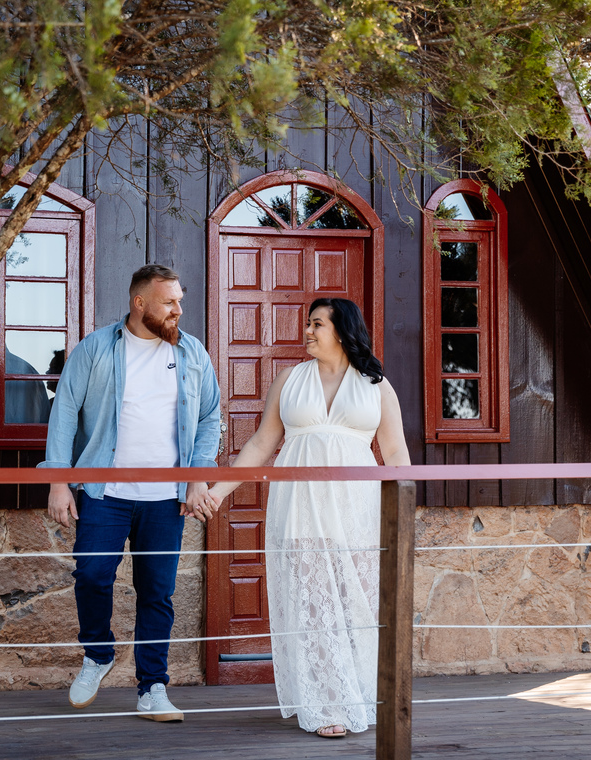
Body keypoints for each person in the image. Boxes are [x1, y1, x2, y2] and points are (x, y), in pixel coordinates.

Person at [199, 298, 409, 738]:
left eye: (317, 324)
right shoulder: (290, 380)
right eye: (309, 324)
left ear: (342, 331)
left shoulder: (376, 385)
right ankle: (325, 704)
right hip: (300, 505)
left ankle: (359, 694)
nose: (308, 332)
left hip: (358, 509)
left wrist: (403, 519)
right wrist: (217, 492)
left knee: (357, 604)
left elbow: (395, 454)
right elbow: (261, 445)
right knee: (312, 605)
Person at [40, 264, 222, 722]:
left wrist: (198, 477)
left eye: (179, 300)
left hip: (166, 499)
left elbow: (209, 418)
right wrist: (59, 481)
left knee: (157, 592)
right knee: (92, 576)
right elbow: (64, 412)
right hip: (105, 493)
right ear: (140, 303)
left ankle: (152, 688)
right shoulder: (97, 348)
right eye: (169, 302)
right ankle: (98, 654)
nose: (178, 310)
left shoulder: (192, 352)